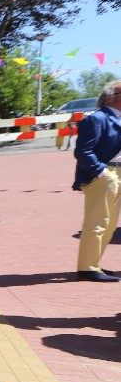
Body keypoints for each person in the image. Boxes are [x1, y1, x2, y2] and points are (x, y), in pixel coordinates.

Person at [72, 80, 121, 282]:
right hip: (104, 175)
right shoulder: (96, 118)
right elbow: (83, 151)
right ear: (110, 98)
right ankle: (87, 268)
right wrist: (102, 172)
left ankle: (94, 264)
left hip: (117, 173)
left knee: (110, 224)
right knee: (97, 222)